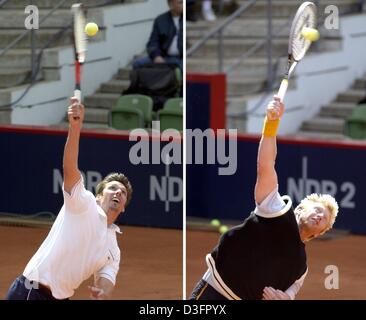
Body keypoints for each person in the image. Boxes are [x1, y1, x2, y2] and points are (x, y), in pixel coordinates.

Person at [190, 95, 339, 300]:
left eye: (325, 219)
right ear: (299, 208)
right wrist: (271, 123)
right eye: (317, 209)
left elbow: (291, 292)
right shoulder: (275, 210)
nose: (320, 216)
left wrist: (284, 298)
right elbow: (266, 165)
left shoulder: (300, 266)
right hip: (216, 292)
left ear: (320, 232)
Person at [5, 97, 133, 300]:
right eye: (113, 188)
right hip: (32, 292)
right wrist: (75, 127)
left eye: (123, 193)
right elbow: (70, 168)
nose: (118, 192)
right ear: (99, 196)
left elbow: (106, 279)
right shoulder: (84, 203)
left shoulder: (113, 249)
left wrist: (103, 292)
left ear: (124, 207)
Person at [133, 0, 183, 71]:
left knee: (181, 67)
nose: (184, 4)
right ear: (171, 4)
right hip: (164, 57)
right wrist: (156, 56)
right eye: (180, 2)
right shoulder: (160, 20)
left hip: (181, 59)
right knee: (137, 63)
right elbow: (152, 42)